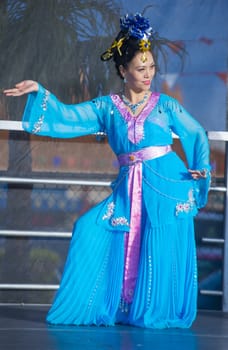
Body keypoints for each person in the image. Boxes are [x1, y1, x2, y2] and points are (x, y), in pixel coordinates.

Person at [4, 13, 211, 329]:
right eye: (141, 68)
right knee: (89, 227)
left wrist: (200, 170)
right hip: (129, 188)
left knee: (159, 246)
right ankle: (109, 306)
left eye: (152, 68)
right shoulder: (107, 107)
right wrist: (39, 92)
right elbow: (69, 117)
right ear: (122, 70)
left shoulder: (165, 105)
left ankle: (153, 311)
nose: (148, 74)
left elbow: (195, 133)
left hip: (168, 184)